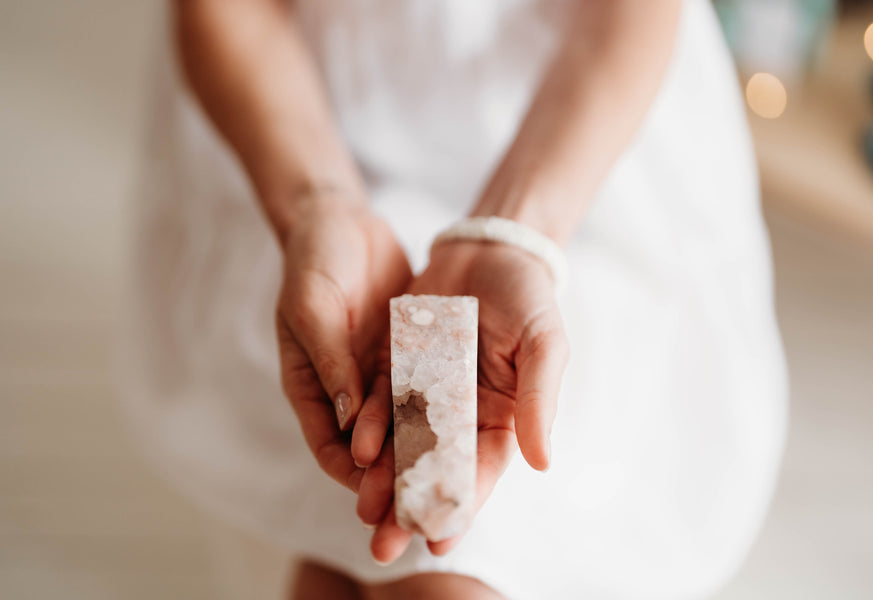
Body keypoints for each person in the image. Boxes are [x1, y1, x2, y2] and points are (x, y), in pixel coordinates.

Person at [125, 0, 787, 598]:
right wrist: (317, 206)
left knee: (412, 556)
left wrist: (511, 235)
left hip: (578, 157)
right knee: (386, 539)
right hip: (305, 133)